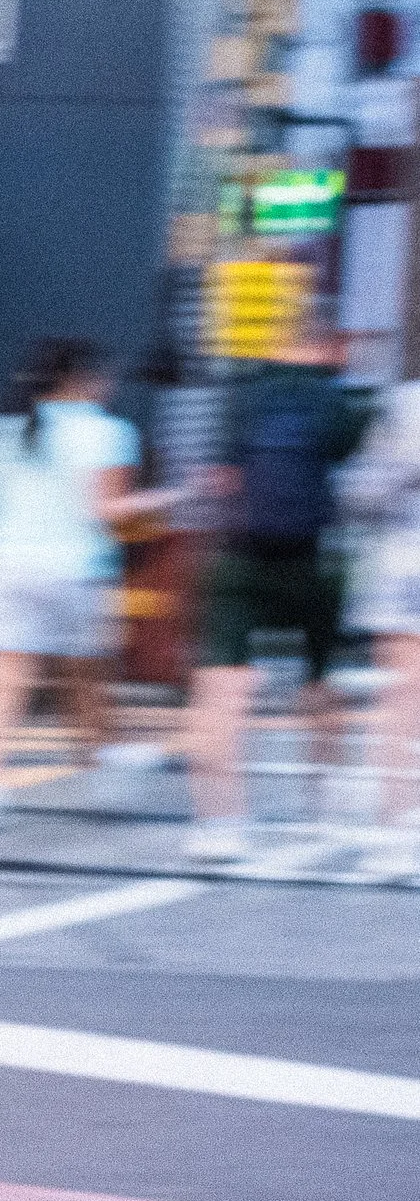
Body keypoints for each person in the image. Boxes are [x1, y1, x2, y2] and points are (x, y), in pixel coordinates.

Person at [0, 338, 173, 830]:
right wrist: (167, 500)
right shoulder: (108, 433)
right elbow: (106, 513)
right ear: (81, 381)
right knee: (87, 676)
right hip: (75, 571)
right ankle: (104, 759)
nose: (109, 388)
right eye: (103, 379)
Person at [182, 320, 375, 861]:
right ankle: (324, 810)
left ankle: (218, 824)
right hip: (311, 561)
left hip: (238, 559)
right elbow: (353, 460)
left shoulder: (239, 394)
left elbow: (217, 480)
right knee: (319, 680)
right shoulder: (331, 396)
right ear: (321, 346)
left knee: (221, 689)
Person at [341, 374, 420, 878]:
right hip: (405, 569)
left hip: (402, 566)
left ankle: (394, 833)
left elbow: (361, 495)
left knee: (400, 703)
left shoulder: (404, 404)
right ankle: (395, 829)